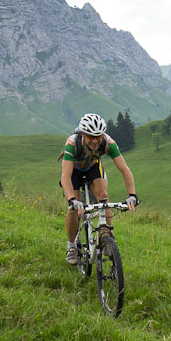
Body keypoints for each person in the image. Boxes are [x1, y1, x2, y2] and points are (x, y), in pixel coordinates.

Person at [61, 113, 138, 265]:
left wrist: (132, 195)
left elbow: (124, 169)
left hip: (92, 166)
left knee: (103, 196)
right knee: (73, 209)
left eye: (98, 136)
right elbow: (65, 175)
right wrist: (72, 200)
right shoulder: (72, 144)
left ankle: (106, 236)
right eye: (91, 137)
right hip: (74, 171)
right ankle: (71, 246)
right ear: (83, 134)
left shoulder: (108, 143)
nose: (95, 141)